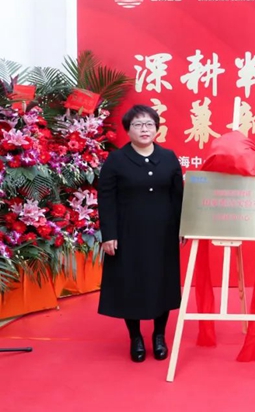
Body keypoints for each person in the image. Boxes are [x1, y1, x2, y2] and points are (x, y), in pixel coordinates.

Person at [97, 105, 184, 363]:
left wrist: (183, 228)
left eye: (149, 124)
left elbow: (178, 197)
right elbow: (106, 199)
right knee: (130, 283)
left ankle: (159, 335)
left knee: (162, 283)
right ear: (128, 130)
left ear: (157, 128)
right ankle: (135, 337)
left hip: (163, 234)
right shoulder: (116, 160)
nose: (144, 129)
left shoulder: (168, 157)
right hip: (128, 234)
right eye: (137, 125)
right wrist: (109, 234)